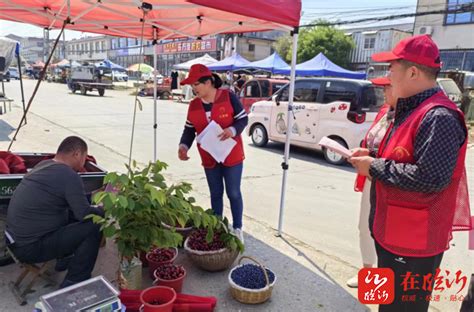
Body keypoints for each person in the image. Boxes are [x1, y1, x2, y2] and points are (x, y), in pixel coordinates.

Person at [349, 34, 471, 311]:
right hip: (389, 230)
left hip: (412, 242)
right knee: (385, 302)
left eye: (392, 69)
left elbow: (431, 177)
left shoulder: (438, 116)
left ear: (413, 72)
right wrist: (372, 157)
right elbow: (399, 154)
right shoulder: (407, 110)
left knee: (403, 307)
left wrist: (374, 166)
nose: (388, 77)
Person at [5, 136, 104, 288]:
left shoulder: (44, 165)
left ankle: (63, 260)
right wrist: (103, 209)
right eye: (84, 157)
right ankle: (75, 282)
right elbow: (84, 214)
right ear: (77, 154)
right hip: (30, 248)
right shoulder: (69, 175)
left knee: (71, 213)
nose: (84, 163)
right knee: (94, 224)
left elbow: (70, 199)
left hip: (14, 241)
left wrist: (94, 195)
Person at [178, 64, 248, 243]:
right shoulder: (193, 105)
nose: (193, 88)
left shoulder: (228, 96)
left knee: (233, 192)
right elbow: (189, 130)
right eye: (192, 85)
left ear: (208, 82)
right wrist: (184, 146)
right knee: (216, 193)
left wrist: (232, 130)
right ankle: (217, 225)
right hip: (209, 157)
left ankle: (237, 227)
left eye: (196, 84)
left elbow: (242, 119)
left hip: (231, 155)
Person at [346, 76, 396, 288]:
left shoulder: (411, 116)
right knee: (365, 227)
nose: (384, 91)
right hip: (372, 178)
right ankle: (369, 274)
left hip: (392, 183)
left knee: (387, 234)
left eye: (388, 86)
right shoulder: (385, 112)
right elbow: (375, 142)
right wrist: (366, 152)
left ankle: (383, 282)